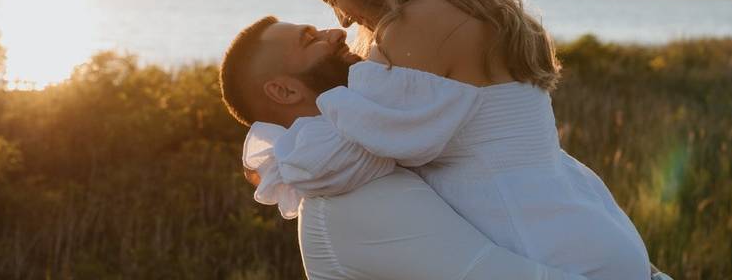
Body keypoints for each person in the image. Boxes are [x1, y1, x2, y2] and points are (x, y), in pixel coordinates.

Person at [245, 0, 656, 279]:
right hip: (589, 229)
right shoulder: (468, 6)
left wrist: (280, 159)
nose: (342, 19)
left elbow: (345, 160)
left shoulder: (416, 25)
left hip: (545, 249)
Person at [220, 17, 588, 280]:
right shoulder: (347, 202)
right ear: (284, 91)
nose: (337, 32)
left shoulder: (370, 153)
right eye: (310, 39)